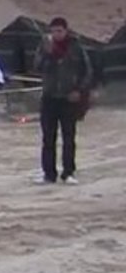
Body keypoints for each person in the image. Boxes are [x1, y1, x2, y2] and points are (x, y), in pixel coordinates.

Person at [33, 17, 92, 185]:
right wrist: (48, 55)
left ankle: (68, 172)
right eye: (53, 31)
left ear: (66, 31)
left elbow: (87, 71)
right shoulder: (45, 46)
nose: (56, 34)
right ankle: (49, 174)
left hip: (69, 99)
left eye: (59, 31)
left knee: (68, 138)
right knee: (48, 139)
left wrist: (79, 90)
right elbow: (36, 67)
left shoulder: (76, 47)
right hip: (50, 98)